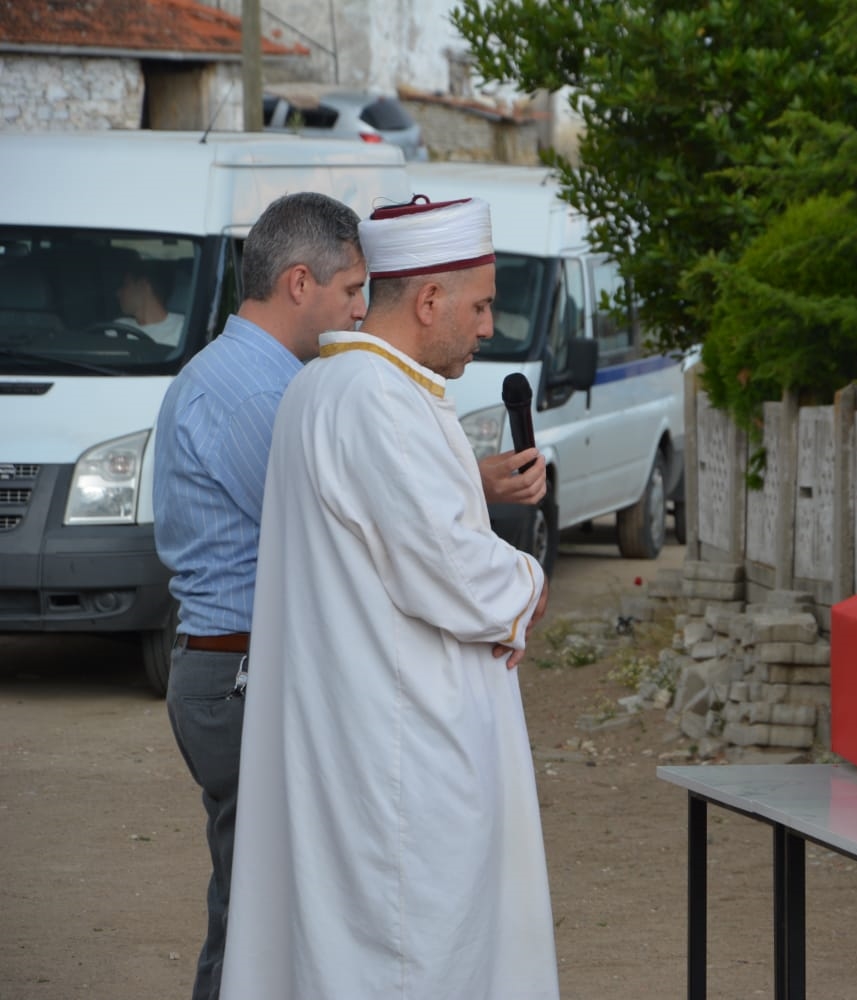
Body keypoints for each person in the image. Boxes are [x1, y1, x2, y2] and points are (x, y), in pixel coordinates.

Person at [153, 192, 545, 1000]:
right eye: (479, 306)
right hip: (390, 733)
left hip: (350, 712)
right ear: (429, 300)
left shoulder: (330, 385)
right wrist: (526, 584)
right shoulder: (370, 396)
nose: (487, 327)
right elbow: (445, 566)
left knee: (312, 927)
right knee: (395, 947)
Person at [115, 254, 185, 346]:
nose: (118, 293)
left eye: (125, 284)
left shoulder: (182, 328)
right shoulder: (118, 327)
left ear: (143, 285)